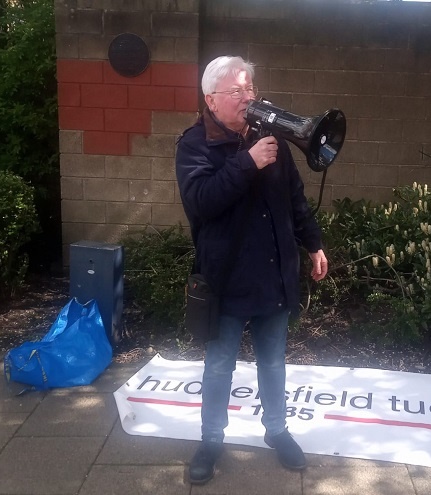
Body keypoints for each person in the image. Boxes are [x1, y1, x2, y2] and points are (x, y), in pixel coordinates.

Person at [175, 55, 328, 485]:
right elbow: (201, 201)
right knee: (219, 365)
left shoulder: (270, 138)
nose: (248, 97)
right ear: (212, 99)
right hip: (226, 278)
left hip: (274, 273)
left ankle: (277, 432)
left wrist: (313, 242)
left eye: (250, 89)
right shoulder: (194, 145)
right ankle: (210, 440)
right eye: (237, 91)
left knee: (273, 363)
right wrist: (247, 162)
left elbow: (295, 199)